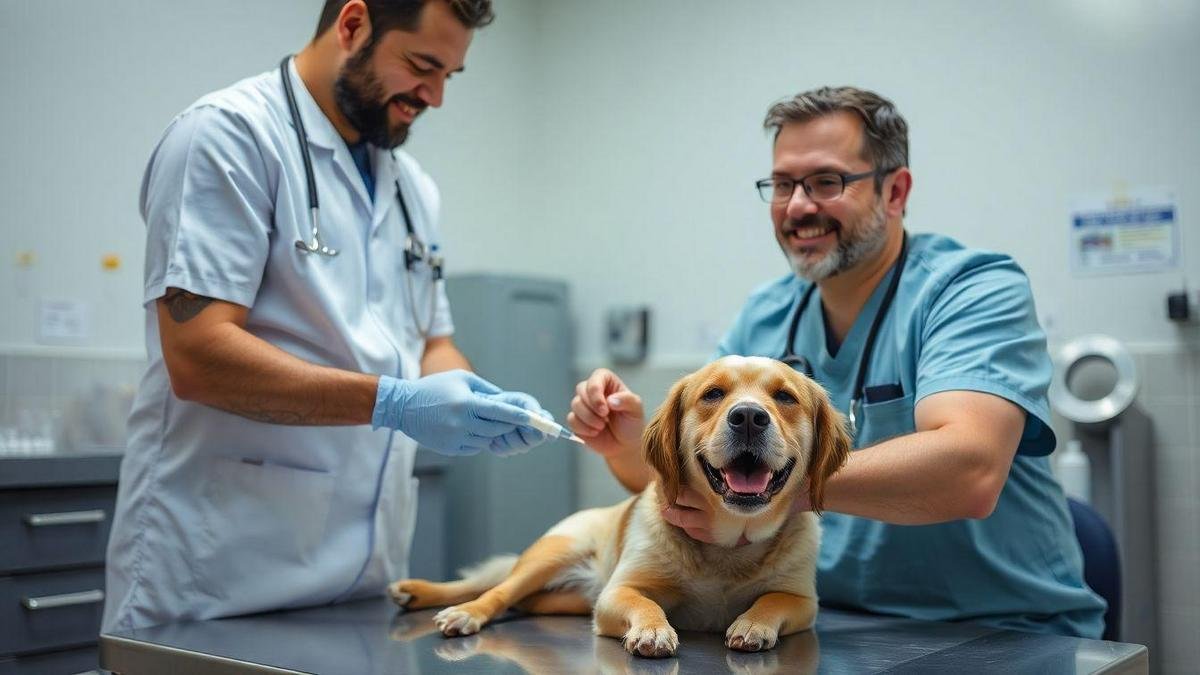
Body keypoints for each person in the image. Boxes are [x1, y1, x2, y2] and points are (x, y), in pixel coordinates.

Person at [569, 86, 1106, 638]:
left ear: (894, 191)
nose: (799, 207)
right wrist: (631, 445)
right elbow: (693, 485)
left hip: (1003, 632)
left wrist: (785, 482)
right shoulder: (766, 315)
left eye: (827, 182)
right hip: (826, 629)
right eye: (782, 185)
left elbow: (970, 469)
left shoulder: (973, 290)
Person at [103, 0, 553, 633]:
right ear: (352, 26)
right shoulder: (228, 137)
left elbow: (433, 342)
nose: (434, 97)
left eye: (449, 76)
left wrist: (477, 400)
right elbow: (199, 356)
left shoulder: (411, 186)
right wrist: (395, 403)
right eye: (423, 66)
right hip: (218, 576)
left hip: (365, 578)